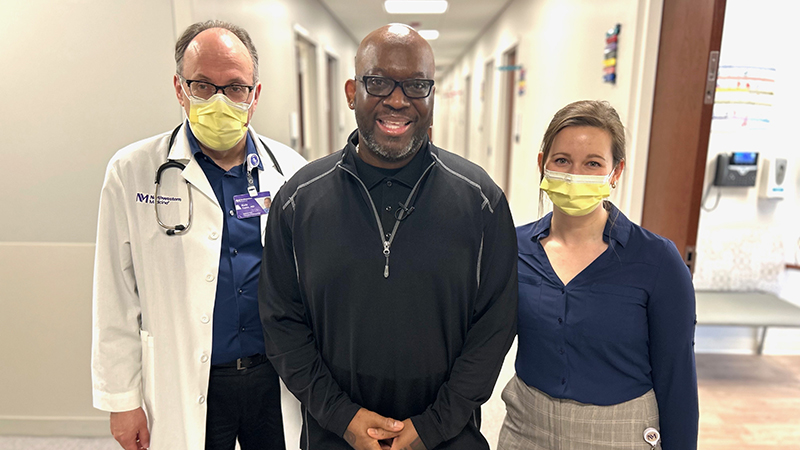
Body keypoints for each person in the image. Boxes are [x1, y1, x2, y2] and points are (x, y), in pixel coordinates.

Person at [257, 24, 518, 450]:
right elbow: (281, 323)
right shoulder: (298, 202)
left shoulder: (480, 202)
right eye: (378, 82)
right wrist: (343, 418)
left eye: (416, 85)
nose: (398, 100)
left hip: (448, 438)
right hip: (333, 436)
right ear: (351, 92)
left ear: (432, 96)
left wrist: (433, 426)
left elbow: (495, 327)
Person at [91, 20, 306, 450]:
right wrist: (122, 400)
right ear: (180, 88)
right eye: (203, 86)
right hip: (187, 380)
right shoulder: (132, 171)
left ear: (255, 95)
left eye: (236, 87)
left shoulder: (291, 171)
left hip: (274, 378)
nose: (219, 101)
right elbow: (115, 293)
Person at [497, 100, 698, 450]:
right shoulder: (512, 249)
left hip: (620, 431)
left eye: (593, 163)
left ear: (615, 172)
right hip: (526, 427)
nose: (576, 175)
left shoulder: (657, 261)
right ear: (543, 164)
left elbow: (676, 378)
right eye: (562, 161)